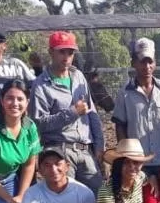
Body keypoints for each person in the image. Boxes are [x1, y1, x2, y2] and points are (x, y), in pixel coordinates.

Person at [30, 31, 105, 194]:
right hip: (60, 152)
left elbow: (91, 112)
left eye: (70, 52)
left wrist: (99, 144)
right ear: (51, 52)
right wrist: (72, 113)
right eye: (61, 52)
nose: (66, 56)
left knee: (100, 198)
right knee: (66, 201)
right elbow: (39, 123)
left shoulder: (78, 76)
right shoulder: (41, 84)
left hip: (86, 149)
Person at [112, 37, 160, 177]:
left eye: (150, 61)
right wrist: (126, 154)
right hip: (138, 162)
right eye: (143, 62)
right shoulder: (125, 93)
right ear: (134, 63)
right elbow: (120, 126)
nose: (147, 66)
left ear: (155, 63)